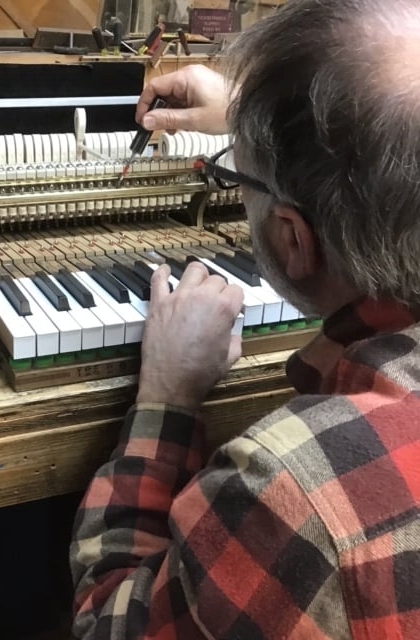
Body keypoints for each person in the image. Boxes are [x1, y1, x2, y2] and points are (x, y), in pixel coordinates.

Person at [69, 0, 420, 638]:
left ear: (293, 238)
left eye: (237, 177)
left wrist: (167, 397)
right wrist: (247, 110)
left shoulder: (295, 492)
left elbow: (107, 627)